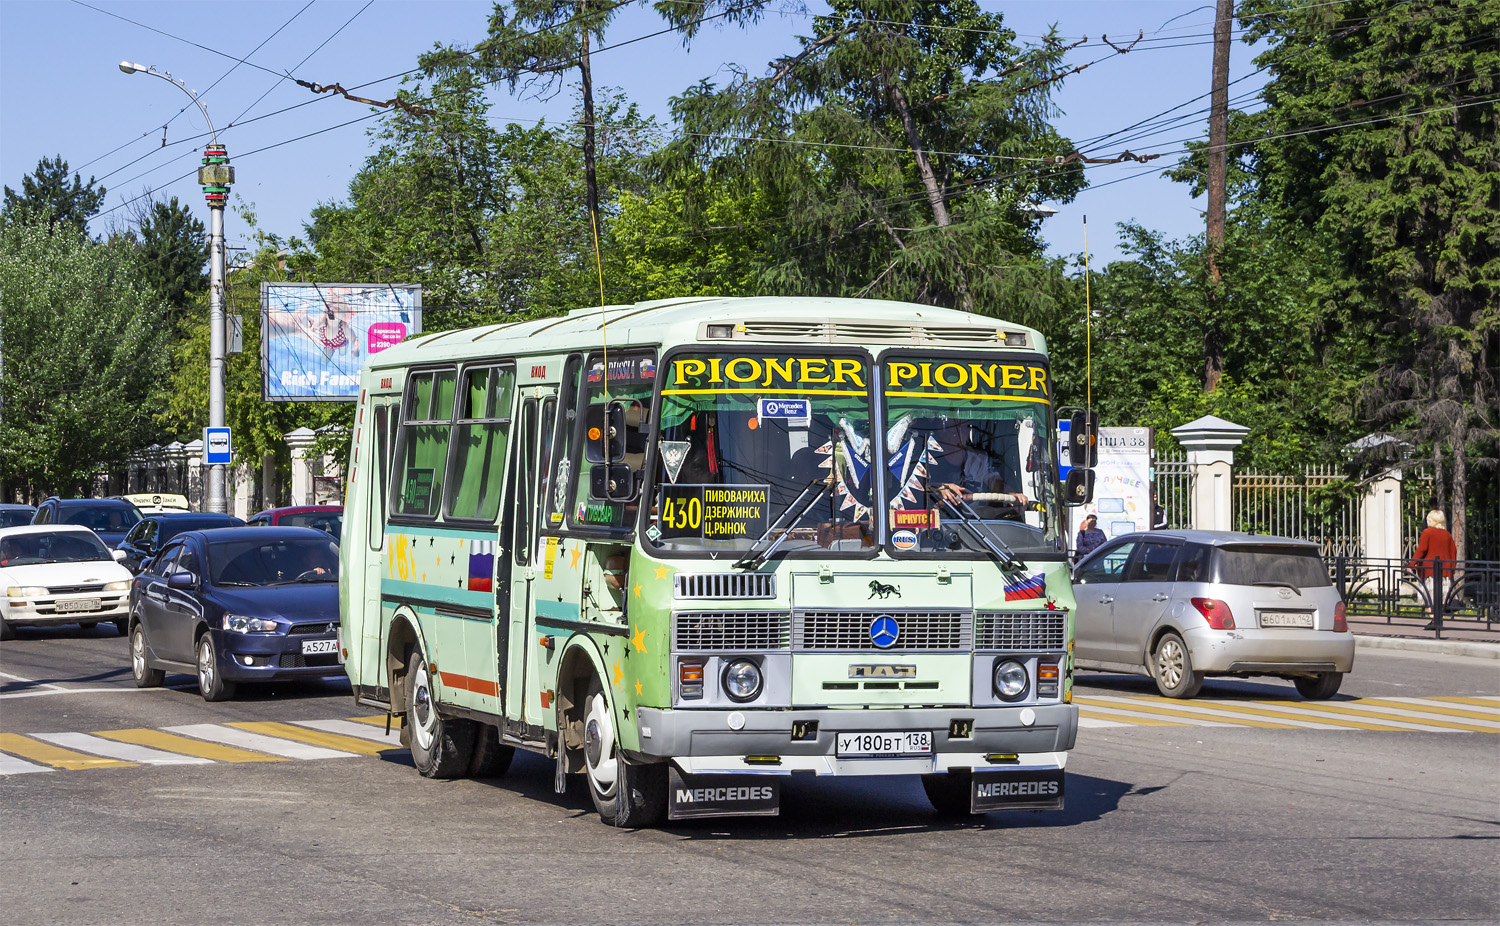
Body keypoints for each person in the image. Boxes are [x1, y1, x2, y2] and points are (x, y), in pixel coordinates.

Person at [1408, 509, 1456, 630]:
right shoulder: (1447, 534)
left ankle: (1434, 619)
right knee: (1440, 598)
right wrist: (1452, 569)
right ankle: (1437, 620)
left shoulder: (1427, 532)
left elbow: (1421, 550)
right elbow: (1453, 552)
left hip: (1429, 570)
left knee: (1427, 596)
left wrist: (1411, 564)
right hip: (1444, 571)